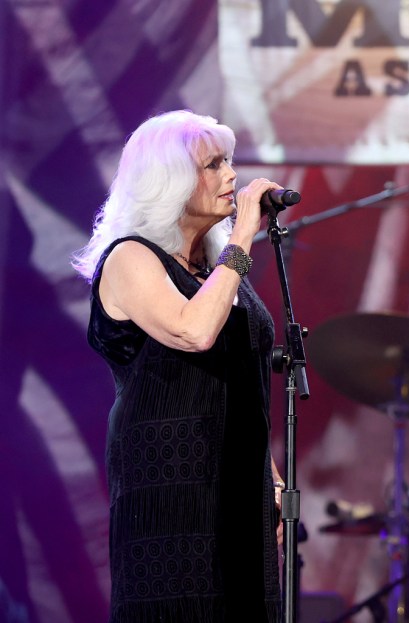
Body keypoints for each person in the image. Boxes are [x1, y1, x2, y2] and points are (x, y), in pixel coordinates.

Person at [73, 110, 285, 622]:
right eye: (214, 164)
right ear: (168, 182)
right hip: (172, 485)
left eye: (228, 160)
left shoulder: (215, 271)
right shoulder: (130, 258)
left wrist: (271, 475)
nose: (232, 176)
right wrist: (242, 239)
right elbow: (193, 331)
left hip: (239, 482)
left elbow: (241, 376)